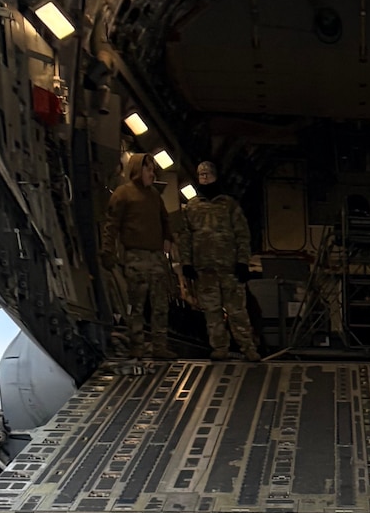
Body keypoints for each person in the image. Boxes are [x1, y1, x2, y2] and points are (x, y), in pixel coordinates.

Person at [177, 161, 260, 360]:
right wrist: (186, 263)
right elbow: (185, 236)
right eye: (200, 174)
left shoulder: (229, 205)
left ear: (215, 176)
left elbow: (242, 235)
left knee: (237, 311)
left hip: (230, 268)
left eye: (207, 174)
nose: (204, 177)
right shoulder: (192, 207)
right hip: (205, 269)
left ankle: (248, 347)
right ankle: (219, 347)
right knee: (211, 312)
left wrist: (242, 262)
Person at [101, 153, 173, 359]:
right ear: (137, 170)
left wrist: (168, 238)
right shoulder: (123, 194)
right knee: (136, 305)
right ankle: (137, 346)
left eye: (153, 169)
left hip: (156, 257)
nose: (152, 173)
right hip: (135, 257)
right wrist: (107, 251)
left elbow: (165, 219)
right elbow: (111, 224)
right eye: (148, 169)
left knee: (160, 305)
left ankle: (160, 346)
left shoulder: (154, 196)